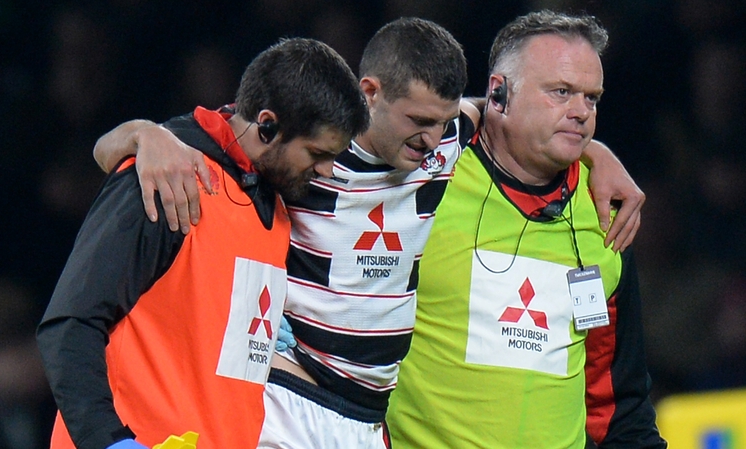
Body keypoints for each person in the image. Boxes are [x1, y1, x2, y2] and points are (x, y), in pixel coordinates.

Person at [94, 18, 646, 448]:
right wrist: (145, 133)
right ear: (372, 93)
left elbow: (505, 119)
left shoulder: (453, 142)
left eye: (591, 99)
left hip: (367, 422)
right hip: (291, 400)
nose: (431, 140)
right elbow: (228, 137)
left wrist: (597, 155)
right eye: (562, 92)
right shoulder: (314, 157)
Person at [36, 37, 369, 449]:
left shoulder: (274, 207)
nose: (328, 170)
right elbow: (71, 323)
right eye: (317, 153)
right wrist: (110, 442)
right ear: (267, 125)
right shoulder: (169, 179)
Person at [386, 11, 666, 448]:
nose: (580, 112)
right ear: (498, 93)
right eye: (561, 92)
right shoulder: (428, 179)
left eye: (592, 98)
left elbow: (618, 403)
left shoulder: (606, 212)